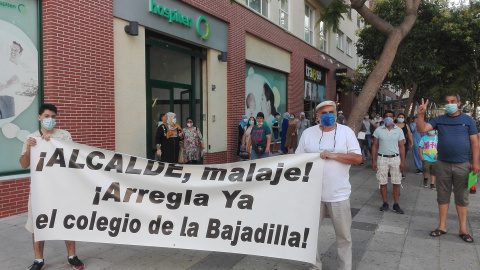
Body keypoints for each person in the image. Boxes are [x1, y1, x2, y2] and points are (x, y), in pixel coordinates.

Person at [296, 100, 362, 270]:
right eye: (324, 113)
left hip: (338, 194)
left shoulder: (346, 132)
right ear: (317, 116)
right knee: (309, 235)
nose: (328, 116)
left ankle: (345, 267)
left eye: (331, 112)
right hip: (312, 195)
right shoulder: (308, 134)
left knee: (344, 236)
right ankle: (314, 265)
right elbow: (298, 160)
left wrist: (333, 156)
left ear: (336, 113)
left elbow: (357, 158)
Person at [19, 103, 85, 270]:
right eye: (47, 116)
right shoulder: (31, 137)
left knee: (67, 222)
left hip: (62, 188)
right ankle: (38, 260)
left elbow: (72, 160)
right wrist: (30, 148)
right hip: (40, 190)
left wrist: (53, 144)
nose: (50, 120)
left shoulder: (64, 135)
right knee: (38, 225)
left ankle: (72, 256)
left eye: (53, 117)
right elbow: (23, 164)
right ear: (39, 117)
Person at [417, 95, 479, 243]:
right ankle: (442, 226)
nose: (450, 104)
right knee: (442, 195)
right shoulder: (439, 119)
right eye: (447, 102)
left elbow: (475, 143)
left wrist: (475, 163)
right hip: (443, 164)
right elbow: (421, 129)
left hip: (463, 164)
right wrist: (421, 114)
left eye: (453, 102)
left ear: (459, 103)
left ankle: (463, 229)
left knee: (462, 197)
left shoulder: (467, 120)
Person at [371, 110, 406, 214]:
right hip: (382, 158)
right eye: (386, 116)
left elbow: (402, 147)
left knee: (396, 181)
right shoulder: (378, 130)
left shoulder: (399, 130)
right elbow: (374, 145)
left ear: (394, 118)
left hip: (395, 158)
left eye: (390, 116)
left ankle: (396, 204)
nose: (388, 118)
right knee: (382, 181)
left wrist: (403, 162)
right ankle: (385, 202)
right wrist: (373, 160)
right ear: (383, 118)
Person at [0, 41, 24, 119]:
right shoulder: (3, 61)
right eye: (12, 49)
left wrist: (4, 85)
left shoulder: (19, 69)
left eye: (16, 50)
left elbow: (15, 80)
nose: (13, 51)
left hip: (7, 99)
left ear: (20, 53)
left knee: (6, 123)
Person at [396, 113, 412, 178]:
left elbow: (409, 135)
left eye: (402, 117)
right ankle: (391, 171)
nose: (401, 118)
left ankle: (401, 171)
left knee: (402, 158)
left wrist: (412, 143)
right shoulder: (394, 125)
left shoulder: (406, 125)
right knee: (394, 158)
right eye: (399, 117)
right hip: (394, 144)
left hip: (404, 144)